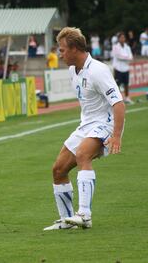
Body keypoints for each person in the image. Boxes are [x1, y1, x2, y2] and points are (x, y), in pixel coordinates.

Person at [44, 27, 125, 231]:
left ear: (74, 49)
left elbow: (119, 103)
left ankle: (84, 215)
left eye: (62, 50)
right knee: (58, 169)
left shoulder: (98, 70)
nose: (59, 54)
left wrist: (116, 136)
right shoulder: (74, 69)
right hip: (86, 125)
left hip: (104, 124)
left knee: (82, 155)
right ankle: (66, 220)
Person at [112, 32, 133, 104]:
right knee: (117, 85)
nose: (122, 39)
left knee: (126, 84)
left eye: (123, 37)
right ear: (118, 39)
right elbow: (118, 56)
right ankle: (118, 99)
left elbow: (131, 57)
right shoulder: (115, 47)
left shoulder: (127, 47)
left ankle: (127, 98)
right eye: (121, 37)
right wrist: (127, 57)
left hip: (126, 68)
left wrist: (126, 57)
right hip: (118, 68)